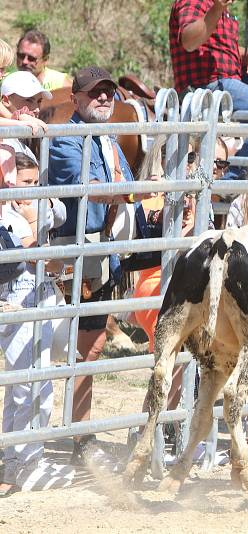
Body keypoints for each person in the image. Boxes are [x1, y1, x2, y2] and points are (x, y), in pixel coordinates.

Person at [49, 66, 137, 467]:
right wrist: (134, 193)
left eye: (108, 92)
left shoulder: (108, 141)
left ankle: (80, 433)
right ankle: (78, 437)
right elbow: (97, 191)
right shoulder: (69, 139)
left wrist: (133, 194)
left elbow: (126, 186)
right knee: (79, 350)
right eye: (95, 93)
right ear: (77, 98)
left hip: (103, 254)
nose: (104, 98)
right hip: (76, 256)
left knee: (91, 347)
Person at [0, 151, 71, 496]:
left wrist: (39, 205)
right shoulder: (9, 216)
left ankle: (22, 460)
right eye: (25, 183)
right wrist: (32, 221)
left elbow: (61, 212)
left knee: (36, 384)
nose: (32, 190)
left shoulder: (32, 210)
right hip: (16, 300)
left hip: (36, 295)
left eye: (35, 182)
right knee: (26, 385)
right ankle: (23, 461)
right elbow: (34, 253)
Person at [169, 0, 248, 179]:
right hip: (205, 87)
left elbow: (222, 48)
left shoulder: (220, 7)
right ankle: (236, 175)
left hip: (229, 81)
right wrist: (217, 8)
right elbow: (189, 41)